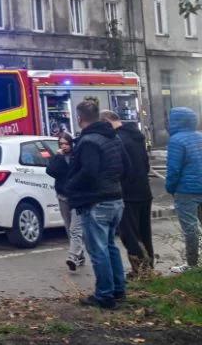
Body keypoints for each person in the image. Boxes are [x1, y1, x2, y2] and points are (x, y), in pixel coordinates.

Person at [64, 100, 128, 308]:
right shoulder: (113, 138)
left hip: (96, 201)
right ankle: (119, 290)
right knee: (110, 247)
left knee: (98, 251)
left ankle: (104, 295)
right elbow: (125, 166)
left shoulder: (88, 141)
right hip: (115, 198)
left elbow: (89, 172)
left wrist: (70, 186)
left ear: (79, 118)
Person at [103, 110, 154, 276]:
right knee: (145, 232)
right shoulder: (136, 136)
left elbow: (120, 168)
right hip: (144, 191)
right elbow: (146, 165)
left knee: (129, 234)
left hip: (128, 194)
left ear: (106, 122)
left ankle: (140, 270)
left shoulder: (117, 140)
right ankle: (149, 267)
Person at [166, 106, 202, 273]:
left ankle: (192, 265)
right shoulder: (200, 136)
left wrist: (170, 188)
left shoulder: (176, 140)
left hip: (186, 191)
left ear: (176, 122)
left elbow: (173, 169)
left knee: (190, 229)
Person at [47, 133, 86, 272]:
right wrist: (57, 156)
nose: (64, 146)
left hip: (77, 197)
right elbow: (50, 171)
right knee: (69, 227)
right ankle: (80, 254)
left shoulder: (77, 155)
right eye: (61, 144)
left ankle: (73, 257)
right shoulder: (58, 157)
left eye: (66, 143)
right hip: (63, 197)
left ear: (71, 143)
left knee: (75, 229)